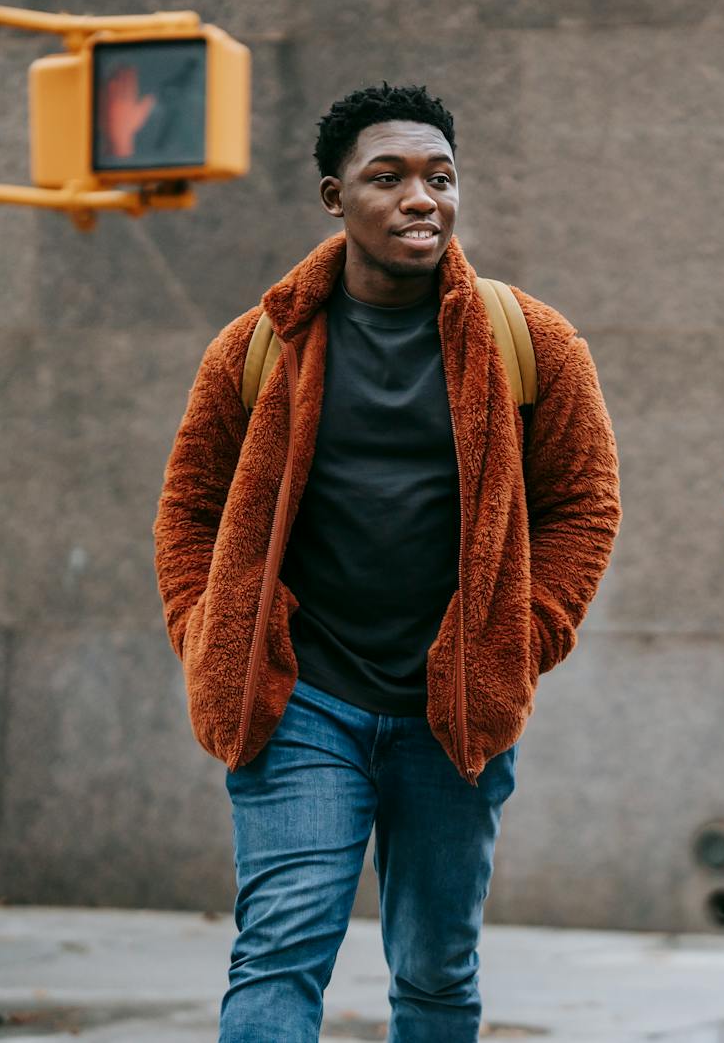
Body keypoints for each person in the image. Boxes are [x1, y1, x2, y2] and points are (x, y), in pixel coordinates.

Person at [153, 83, 621, 1042]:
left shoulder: (531, 342)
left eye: (440, 178)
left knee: (438, 968)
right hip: (301, 700)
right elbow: (190, 510)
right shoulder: (258, 346)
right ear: (335, 197)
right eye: (389, 177)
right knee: (279, 949)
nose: (422, 199)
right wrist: (213, 636)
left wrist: (522, 637)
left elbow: (585, 505)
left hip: (453, 707)